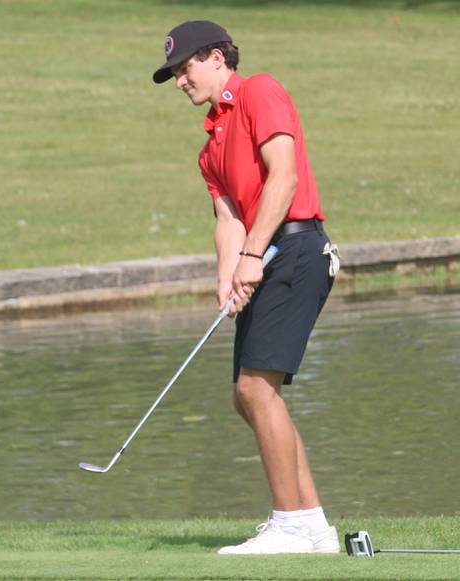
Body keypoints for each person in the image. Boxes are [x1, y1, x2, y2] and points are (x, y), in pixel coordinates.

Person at [152, 20, 341, 555]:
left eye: (184, 69)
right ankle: (313, 526)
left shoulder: (260, 90)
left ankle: (291, 525)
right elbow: (227, 215)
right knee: (249, 397)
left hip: (298, 248)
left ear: (216, 58)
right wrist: (227, 275)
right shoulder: (209, 147)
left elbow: (284, 178)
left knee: (255, 389)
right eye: (173, 75)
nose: (180, 81)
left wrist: (253, 257)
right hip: (264, 255)